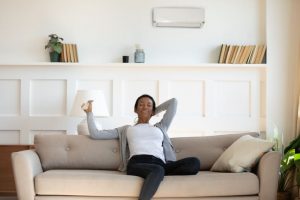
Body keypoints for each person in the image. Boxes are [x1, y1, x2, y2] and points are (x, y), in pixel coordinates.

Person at [83, 94, 200, 200]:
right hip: (137, 163)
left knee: (194, 162)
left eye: (149, 105)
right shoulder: (127, 129)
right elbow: (96, 134)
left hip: (161, 164)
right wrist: (89, 113)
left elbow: (173, 102)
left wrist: (153, 111)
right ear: (135, 109)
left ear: (153, 110)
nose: (144, 107)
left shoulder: (160, 127)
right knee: (158, 170)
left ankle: (157, 175)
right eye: (141, 105)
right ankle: (156, 178)